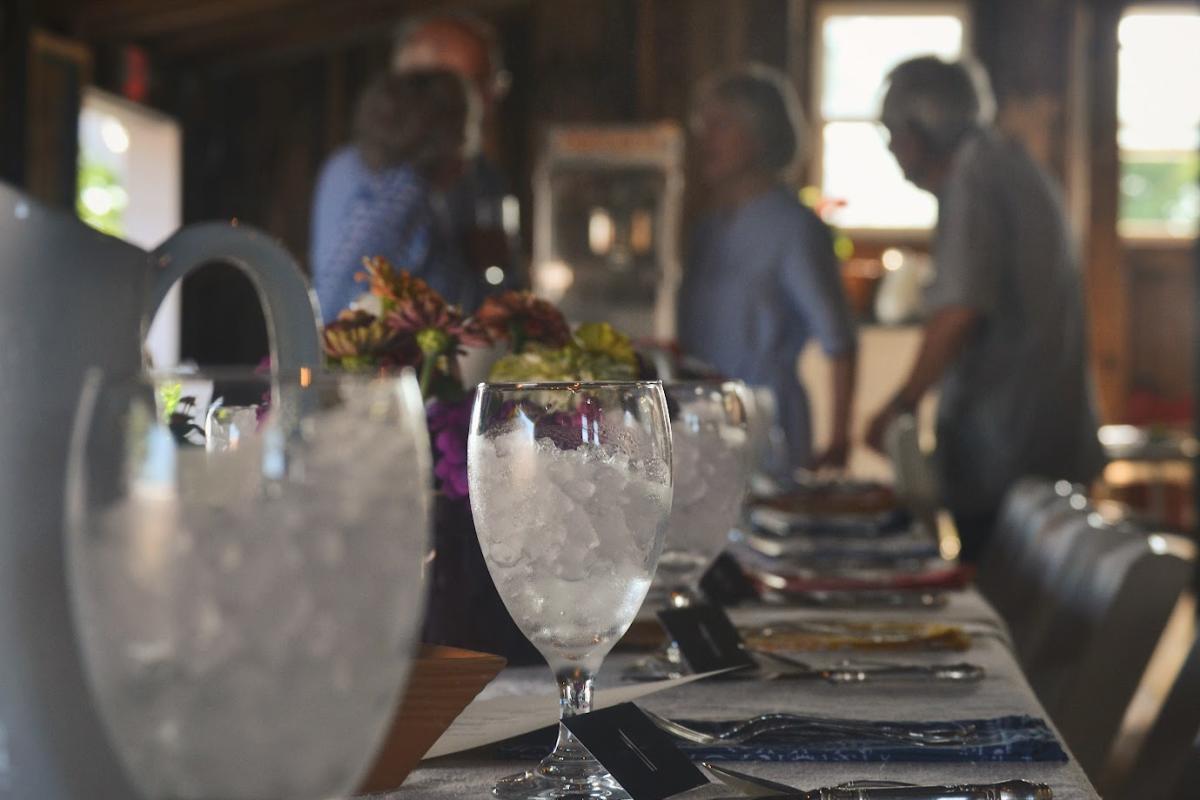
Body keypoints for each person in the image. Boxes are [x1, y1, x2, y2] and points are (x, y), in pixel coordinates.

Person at [863, 56, 1105, 560]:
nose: (890, 148)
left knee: (1000, 605)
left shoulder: (973, 178)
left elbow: (958, 311)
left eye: (891, 131)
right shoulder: (1010, 162)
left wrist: (899, 405)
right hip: (1045, 435)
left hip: (1007, 446)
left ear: (917, 131)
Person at [677, 64, 858, 473]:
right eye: (702, 125)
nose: (705, 138)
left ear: (760, 135)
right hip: (699, 425)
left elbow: (840, 340)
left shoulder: (794, 227)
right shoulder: (706, 229)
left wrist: (839, 440)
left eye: (721, 125)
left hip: (768, 429)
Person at [310, 12, 517, 318]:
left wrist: (492, 270)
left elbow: (498, 291)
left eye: (490, 83)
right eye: (469, 85)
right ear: (412, 87)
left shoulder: (479, 177)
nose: (485, 101)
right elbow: (336, 307)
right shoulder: (375, 182)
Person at [313, 70, 472, 319]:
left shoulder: (342, 164)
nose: (466, 143)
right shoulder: (404, 193)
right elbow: (335, 300)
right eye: (464, 128)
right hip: (387, 355)